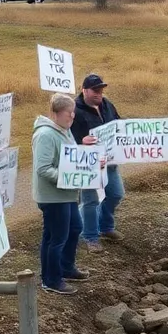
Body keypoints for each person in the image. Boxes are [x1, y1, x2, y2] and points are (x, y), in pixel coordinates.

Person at [32, 93, 88, 294]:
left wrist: (89, 162)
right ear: (55, 113)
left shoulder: (65, 131)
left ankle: (66, 267)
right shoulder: (46, 135)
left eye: (73, 113)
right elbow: (43, 168)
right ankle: (51, 280)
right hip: (53, 196)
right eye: (68, 113)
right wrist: (70, 177)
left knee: (74, 228)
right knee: (56, 238)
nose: (72, 117)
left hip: (67, 194)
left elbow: (71, 158)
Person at [71, 74, 124, 252]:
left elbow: (118, 122)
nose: (99, 93)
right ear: (84, 90)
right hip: (88, 164)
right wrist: (80, 141)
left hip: (109, 161)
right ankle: (90, 236)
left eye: (101, 89)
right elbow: (66, 139)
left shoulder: (107, 104)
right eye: (95, 90)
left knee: (116, 193)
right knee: (90, 200)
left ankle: (106, 227)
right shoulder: (74, 110)